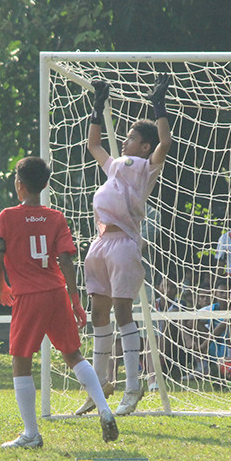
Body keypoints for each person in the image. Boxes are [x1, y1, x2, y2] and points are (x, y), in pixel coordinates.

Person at [0, 156, 118, 448]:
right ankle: (104, 408)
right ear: (46, 184)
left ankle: (31, 434)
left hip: (28, 296)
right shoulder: (56, 217)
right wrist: (74, 299)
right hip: (56, 292)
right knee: (74, 355)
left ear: (19, 186)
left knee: (21, 361)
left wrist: (2, 287)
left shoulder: (7, 217)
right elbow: (66, 261)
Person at [79, 76, 173, 417]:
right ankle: (101, 384)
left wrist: (157, 103)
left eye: (132, 137)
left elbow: (166, 140)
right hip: (100, 243)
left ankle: (133, 387)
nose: (126, 140)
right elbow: (94, 146)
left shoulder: (146, 169)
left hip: (124, 244)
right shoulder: (115, 167)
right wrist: (97, 106)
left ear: (144, 147)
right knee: (98, 314)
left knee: (122, 314)